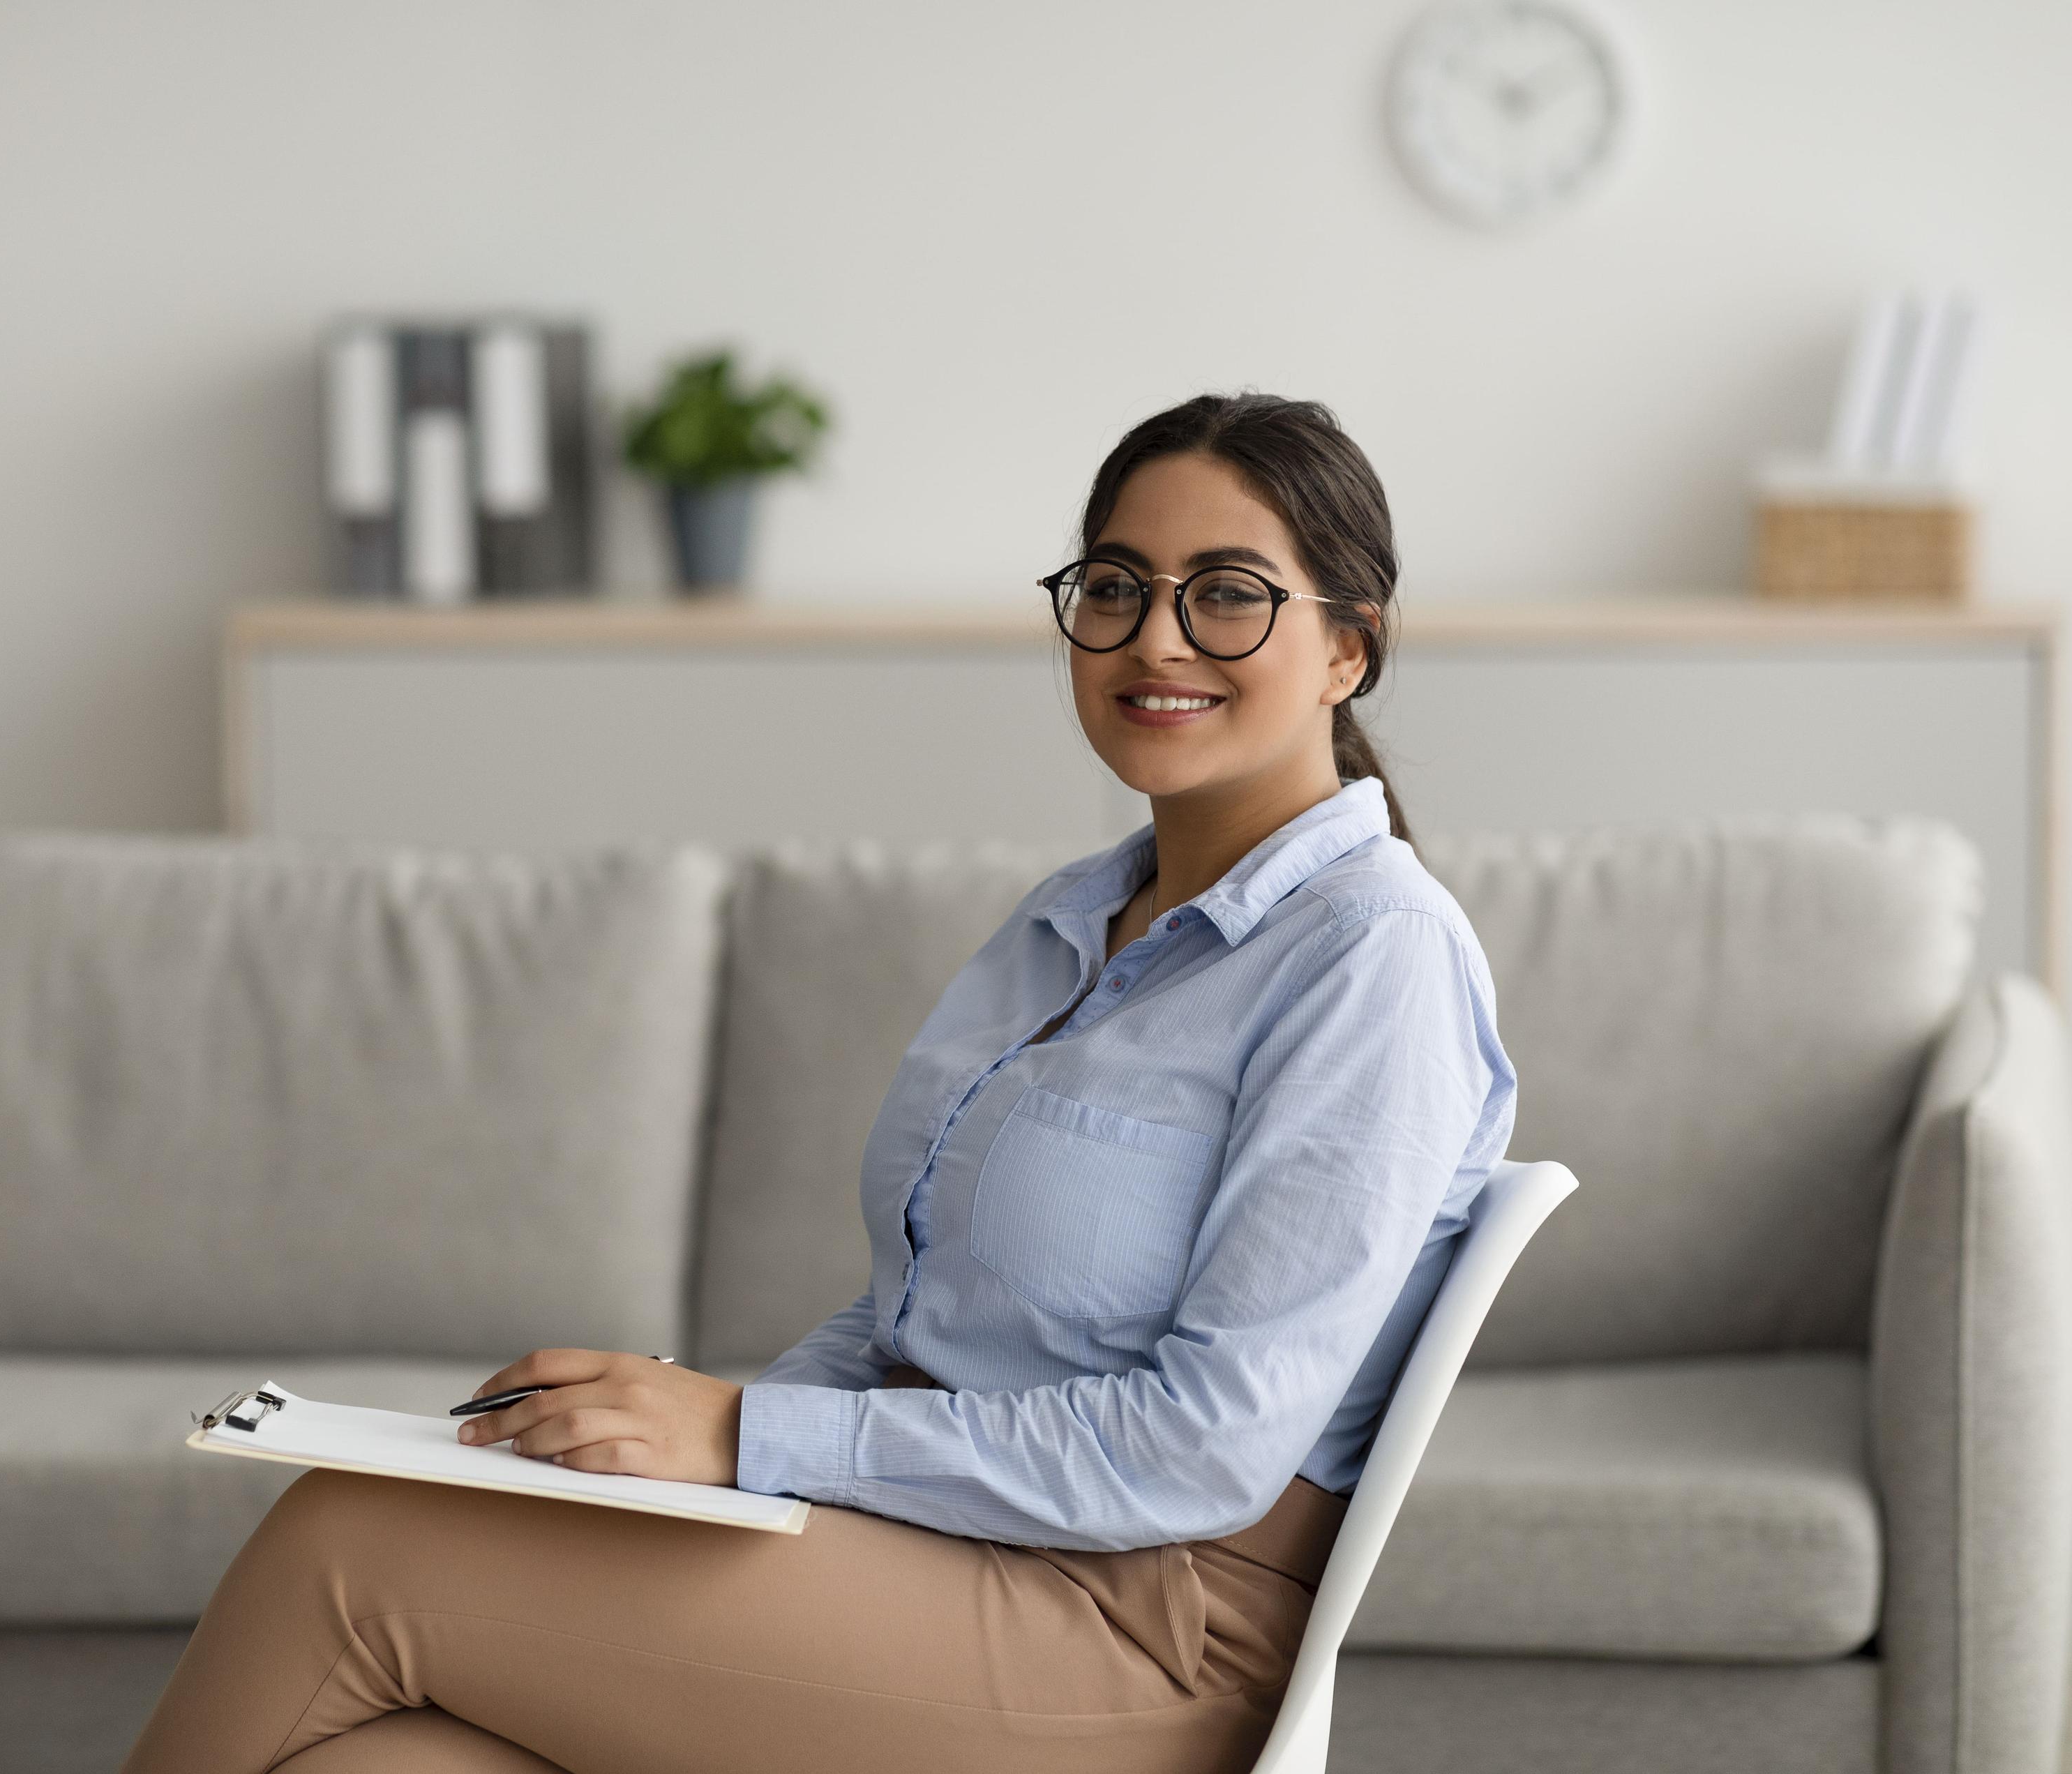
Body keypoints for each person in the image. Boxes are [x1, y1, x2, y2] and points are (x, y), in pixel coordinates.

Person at [121, 391, 1519, 1774]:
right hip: (928, 1554)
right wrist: (681, 1465)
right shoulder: (1069, 925)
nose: (1157, 637)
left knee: (352, 1543)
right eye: (1115, 585)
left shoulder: (1373, 958)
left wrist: (747, 1435)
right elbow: (913, 1316)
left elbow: (1203, 1451)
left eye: (1227, 595)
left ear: (1349, 647)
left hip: (1138, 1631)